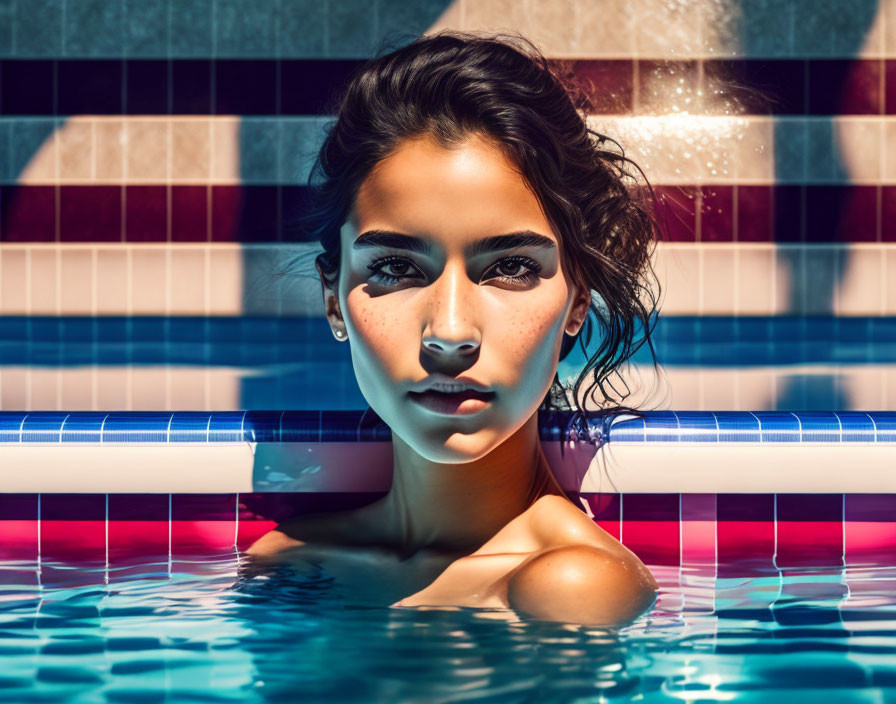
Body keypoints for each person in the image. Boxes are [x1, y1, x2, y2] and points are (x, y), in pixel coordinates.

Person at [247, 30, 660, 626]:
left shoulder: (569, 587)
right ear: (333, 301)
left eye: (512, 267)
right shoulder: (288, 563)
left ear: (578, 300)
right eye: (395, 268)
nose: (450, 331)